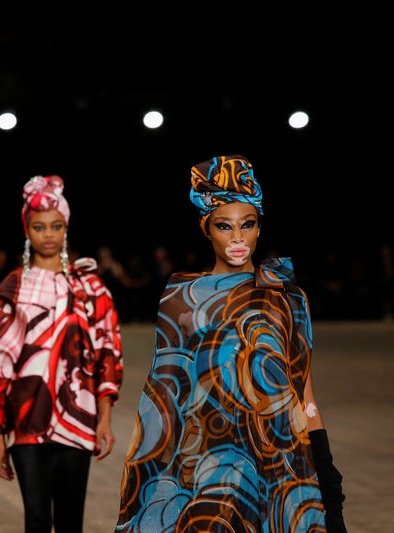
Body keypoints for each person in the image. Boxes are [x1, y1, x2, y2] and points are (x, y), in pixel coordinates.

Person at [116, 155, 347, 532]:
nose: (238, 237)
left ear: (259, 227)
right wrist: (152, 479)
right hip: (207, 465)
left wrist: (325, 467)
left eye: (248, 224)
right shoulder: (181, 298)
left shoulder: (289, 297)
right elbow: (166, 395)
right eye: (224, 226)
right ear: (206, 229)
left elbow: (303, 393)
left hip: (278, 461)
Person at [0, 175, 123, 533]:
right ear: (27, 231)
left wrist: (105, 417)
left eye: (56, 226)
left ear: (66, 228)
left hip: (78, 416)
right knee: (35, 518)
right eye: (39, 227)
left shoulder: (90, 287)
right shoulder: (12, 287)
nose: (48, 234)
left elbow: (108, 352)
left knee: (69, 522)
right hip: (26, 417)